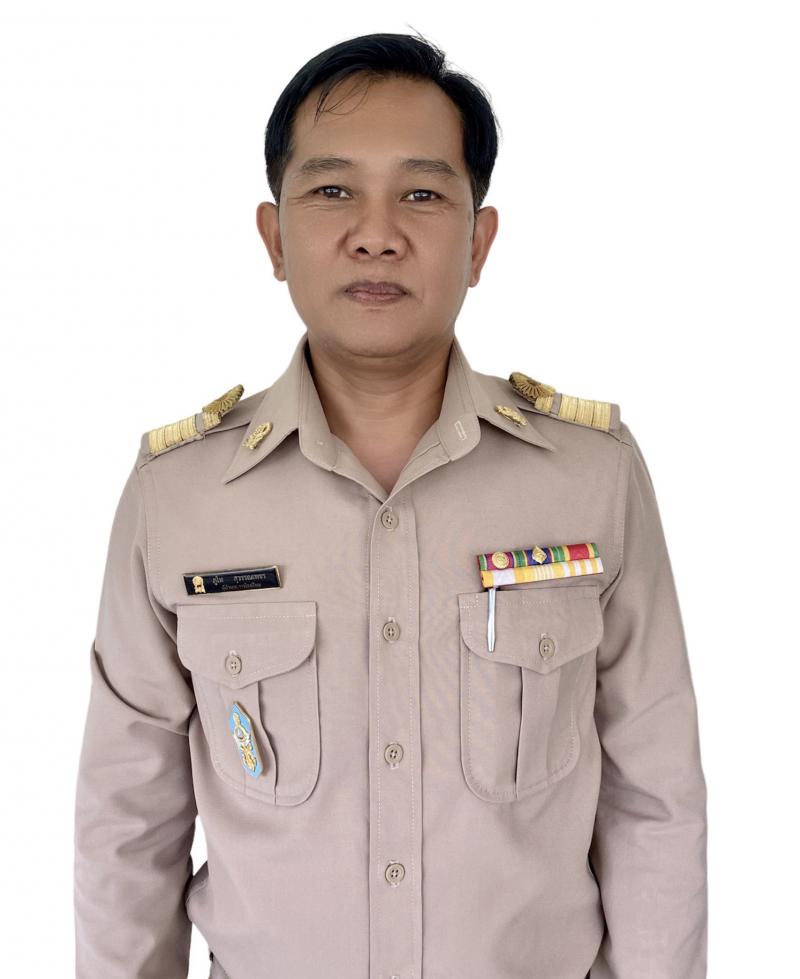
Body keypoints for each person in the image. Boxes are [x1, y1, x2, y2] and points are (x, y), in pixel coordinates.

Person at [73, 30, 708, 979]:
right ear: (274, 237)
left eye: (422, 193)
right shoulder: (179, 496)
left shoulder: (591, 477)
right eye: (332, 190)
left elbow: (655, 797)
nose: (376, 233)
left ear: (478, 241)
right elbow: (126, 822)